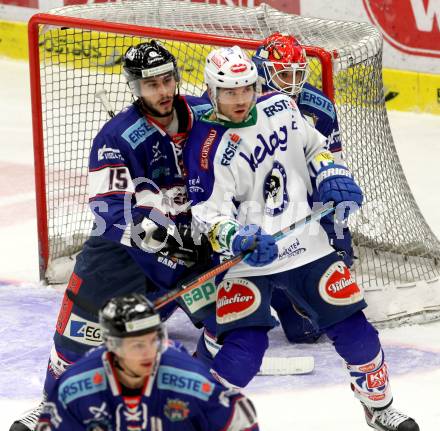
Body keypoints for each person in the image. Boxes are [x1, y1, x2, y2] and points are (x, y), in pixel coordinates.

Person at [184, 45, 419, 431]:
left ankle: (379, 408)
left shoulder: (281, 106)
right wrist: (236, 237)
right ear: (212, 91)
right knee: (243, 351)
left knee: (355, 330)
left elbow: (315, 147)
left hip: (307, 244)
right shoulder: (206, 146)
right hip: (249, 260)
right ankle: (201, 420)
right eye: (230, 91)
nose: (240, 98)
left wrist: (331, 174)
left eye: (246, 88)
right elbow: (207, 213)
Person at [10, 40, 213, 431]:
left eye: (168, 79)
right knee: (74, 346)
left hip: (193, 253)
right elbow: (109, 211)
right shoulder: (116, 137)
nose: (164, 90)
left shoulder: (205, 114)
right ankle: (51, 407)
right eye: (152, 84)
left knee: (231, 321)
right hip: (119, 261)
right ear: (136, 88)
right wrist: (161, 239)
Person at [252, 32, 354, 344]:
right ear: (262, 73)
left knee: (309, 331)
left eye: (298, 74)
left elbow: (328, 163)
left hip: (302, 205)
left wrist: (329, 217)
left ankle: (287, 293)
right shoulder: (240, 104)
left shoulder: (319, 108)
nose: (291, 83)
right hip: (252, 211)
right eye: (283, 74)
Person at [36, 293, 259, 430]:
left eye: (153, 341)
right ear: (113, 346)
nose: (149, 352)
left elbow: (238, 420)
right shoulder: (75, 388)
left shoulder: (189, 379)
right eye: (137, 345)